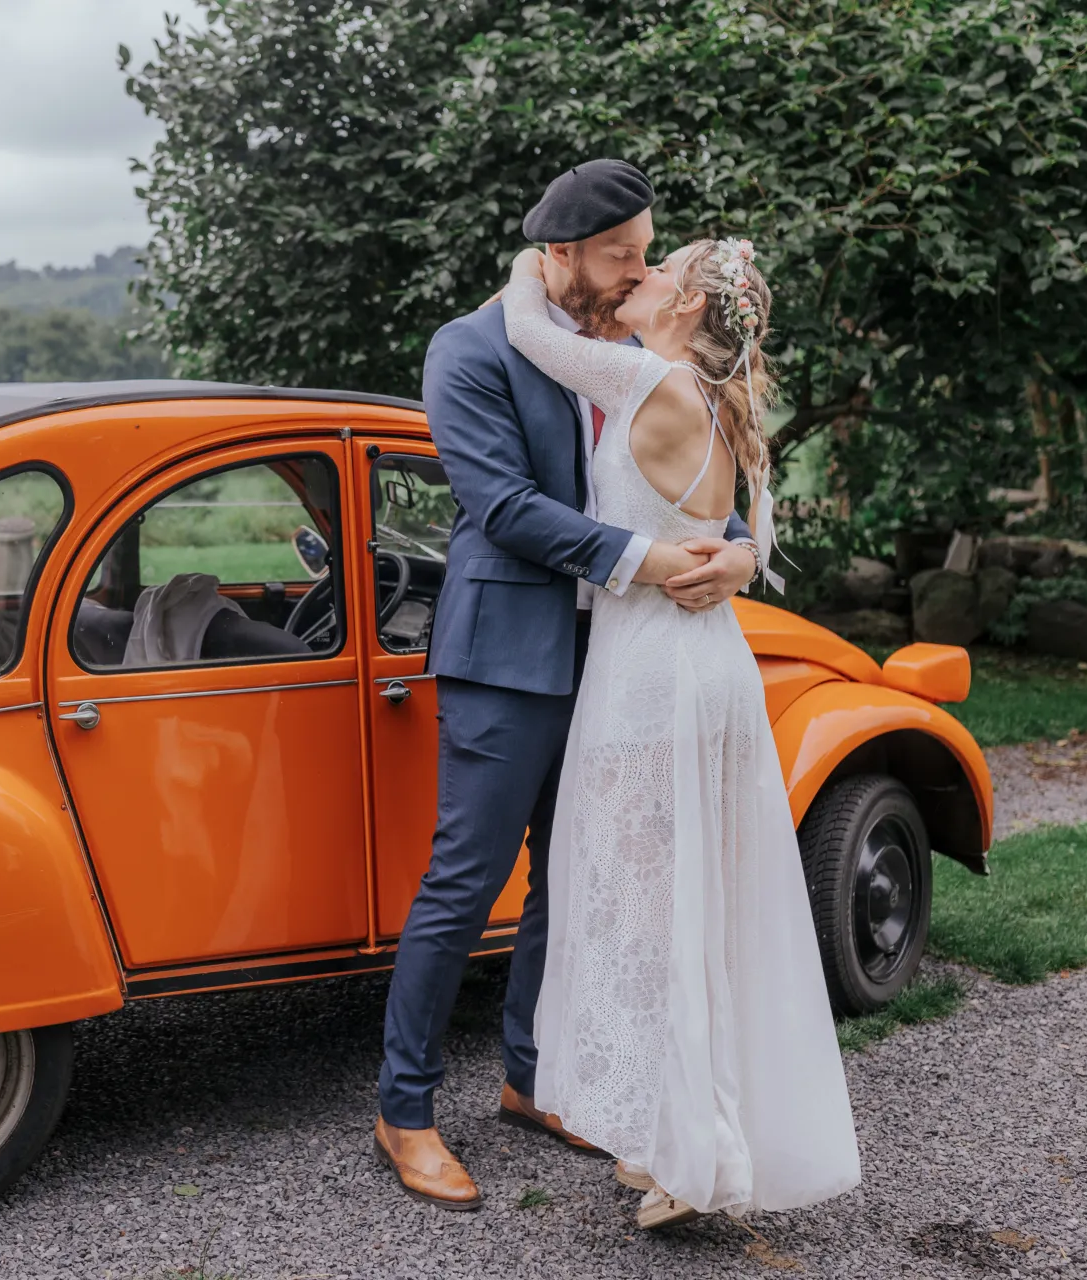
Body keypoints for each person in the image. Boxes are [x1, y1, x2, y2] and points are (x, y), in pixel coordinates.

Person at [372, 160, 762, 1212]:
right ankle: (403, 1110)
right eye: (618, 255)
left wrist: (732, 549)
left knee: (573, 875)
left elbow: (680, 468)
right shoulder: (470, 346)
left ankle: (532, 1077)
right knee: (466, 878)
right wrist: (650, 561)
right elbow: (499, 504)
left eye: (645, 251)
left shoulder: (633, 345)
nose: (636, 269)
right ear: (559, 254)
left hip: (623, 660)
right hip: (509, 654)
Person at [500, 230, 861, 1227]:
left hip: (653, 677)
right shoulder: (709, 401)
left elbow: (531, 329)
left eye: (657, 266)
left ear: (691, 307)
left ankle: (690, 1156)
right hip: (708, 671)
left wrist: (542, 258)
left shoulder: (652, 381)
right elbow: (728, 531)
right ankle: (680, 1130)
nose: (640, 275)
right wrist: (739, 557)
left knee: (654, 908)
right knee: (693, 901)